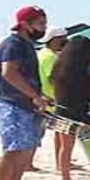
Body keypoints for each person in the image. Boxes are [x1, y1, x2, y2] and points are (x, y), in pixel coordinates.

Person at [0, 6, 48, 180]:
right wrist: (34, 96)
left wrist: (40, 97)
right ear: (25, 24)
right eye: (40, 24)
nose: (43, 28)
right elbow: (9, 73)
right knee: (13, 152)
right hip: (12, 105)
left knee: (24, 153)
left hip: (27, 105)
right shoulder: (13, 44)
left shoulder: (26, 45)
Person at [51, 35, 90, 180]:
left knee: (66, 147)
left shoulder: (59, 67)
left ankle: (65, 177)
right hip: (88, 110)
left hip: (63, 109)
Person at [36, 27, 69, 171]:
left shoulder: (42, 53)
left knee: (57, 132)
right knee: (62, 132)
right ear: (55, 39)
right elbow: (54, 78)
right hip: (53, 99)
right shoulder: (50, 56)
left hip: (45, 97)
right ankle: (61, 164)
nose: (66, 41)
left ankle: (60, 163)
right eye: (64, 38)